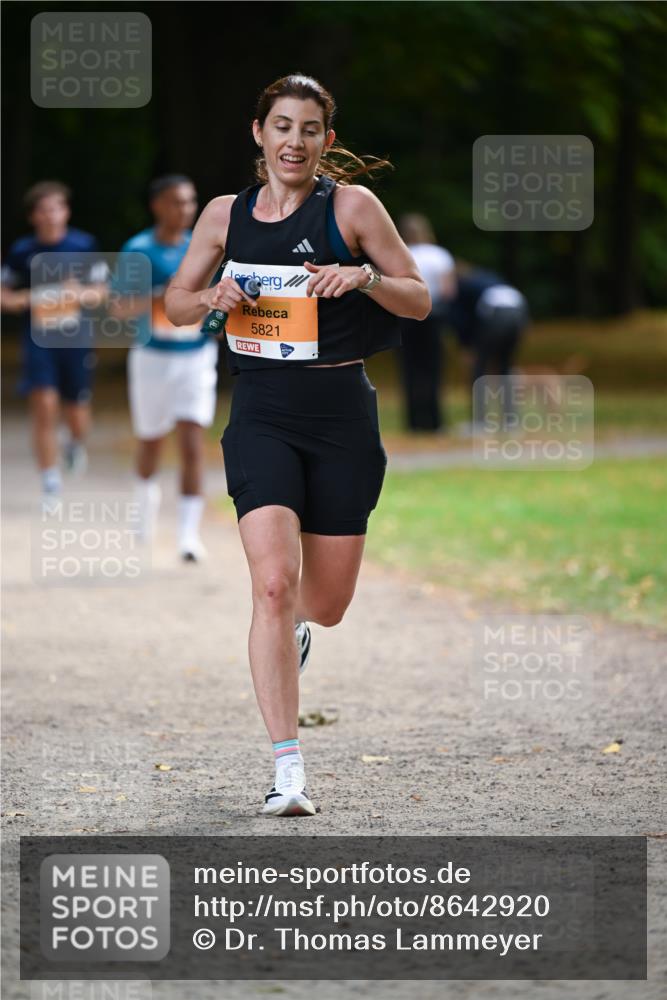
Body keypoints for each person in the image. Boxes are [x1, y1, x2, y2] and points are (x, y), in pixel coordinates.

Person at [165, 74, 430, 816]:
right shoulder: (223, 216)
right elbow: (177, 303)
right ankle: (288, 773)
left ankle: (300, 634)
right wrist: (210, 297)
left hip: (343, 416)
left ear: (326, 141)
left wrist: (366, 275)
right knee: (273, 584)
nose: (293, 141)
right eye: (281, 126)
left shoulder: (350, 208)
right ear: (259, 133)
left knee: (326, 602)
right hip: (263, 414)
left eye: (309, 129)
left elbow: (418, 296)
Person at [112, 175, 218, 561]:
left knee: (192, 443)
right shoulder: (138, 250)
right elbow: (119, 307)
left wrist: (212, 323)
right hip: (152, 357)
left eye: (190, 202)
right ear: (157, 205)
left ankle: (188, 537)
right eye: (177, 202)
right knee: (152, 440)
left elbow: (217, 301)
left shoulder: (203, 247)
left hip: (196, 356)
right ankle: (143, 515)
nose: (186, 209)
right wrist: (163, 298)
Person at [0, 181, 106, 507]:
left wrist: (79, 294)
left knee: (76, 411)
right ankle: (50, 483)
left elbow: (102, 291)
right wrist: (27, 298)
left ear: (66, 212)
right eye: (43, 209)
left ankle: (75, 443)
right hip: (39, 340)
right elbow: (5, 295)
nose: (50, 215)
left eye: (56, 208)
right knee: (44, 406)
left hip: (75, 339)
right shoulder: (22, 251)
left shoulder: (83, 245)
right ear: (33, 216)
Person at [447, 266, 529, 430]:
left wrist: (465, 345)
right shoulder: (489, 276)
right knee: (505, 368)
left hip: (496, 315)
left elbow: (461, 318)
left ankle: (480, 422)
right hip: (519, 311)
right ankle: (510, 421)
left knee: (479, 369)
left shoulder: (462, 286)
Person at [397, 214, 456, 431]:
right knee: (433, 368)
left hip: (405, 315)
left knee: (409, 368)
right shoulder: (440, 255)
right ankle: (434, 420)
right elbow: (448, 291)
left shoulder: (402, 254)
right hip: (433, 315)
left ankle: (413, 421)